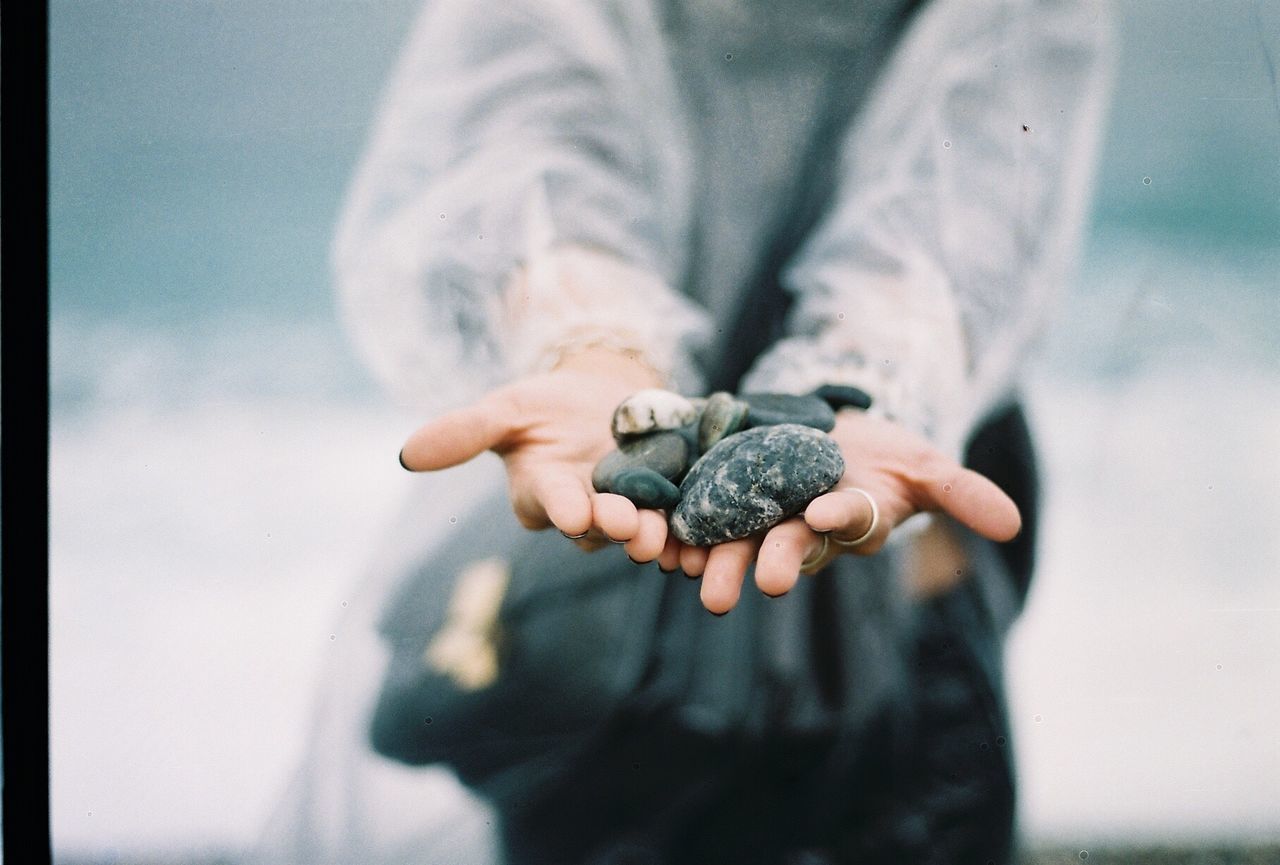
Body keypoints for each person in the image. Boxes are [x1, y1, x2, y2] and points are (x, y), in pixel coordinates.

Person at [285, 0, 1113, 862]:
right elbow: (525, 88)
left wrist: (870, 371)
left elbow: (989, 131)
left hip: (875, 533)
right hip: (669, 499)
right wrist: (593, 335)